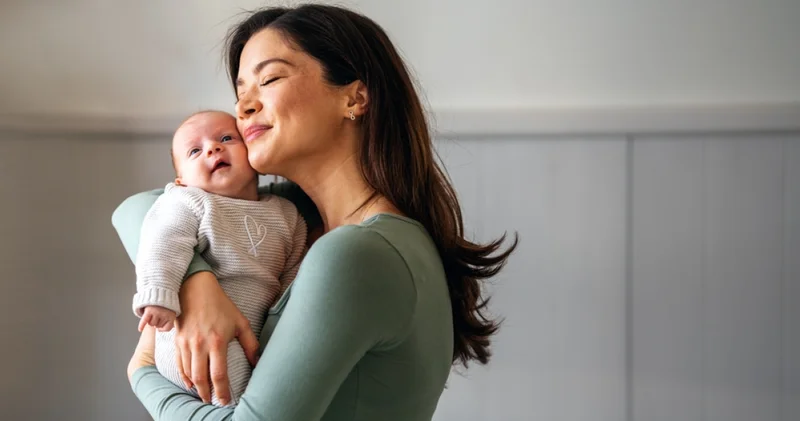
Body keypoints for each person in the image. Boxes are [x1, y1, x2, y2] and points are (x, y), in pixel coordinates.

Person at [112, 4, 517, 420]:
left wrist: (143, 372)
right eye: (240, 92)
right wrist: (198, 286)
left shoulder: (356, 252)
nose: (244, 106)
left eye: (268, 78)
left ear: (354, 97)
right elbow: (137, 209)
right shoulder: (301, 215)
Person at [132, 110, 306, 407]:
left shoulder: (287, 214)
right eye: (195, 151)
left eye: (226, 138)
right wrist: (157, 295)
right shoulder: (188, 201)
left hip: (252, 332)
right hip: (191, 339)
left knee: (261, 382)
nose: (213, 148)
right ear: (181, 180)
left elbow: (292, 276)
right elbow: (163, 241)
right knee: (232, 383)